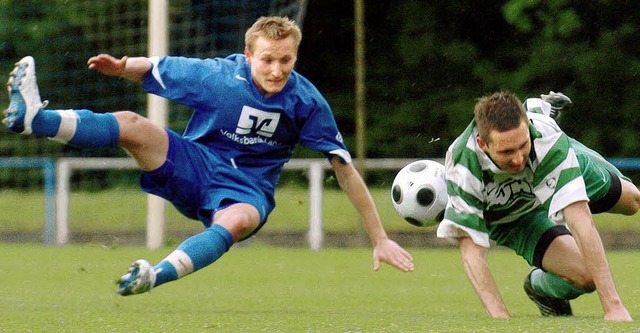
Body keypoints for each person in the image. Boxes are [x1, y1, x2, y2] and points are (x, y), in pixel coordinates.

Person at [3, 16, 414, 296]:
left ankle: (152, 276)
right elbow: (161, 69)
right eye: (267, 60)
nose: (276, 70)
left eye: (285, 60)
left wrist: (379, 237)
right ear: (248, 55)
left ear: (295, 57)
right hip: (194, 164)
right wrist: (123, 66)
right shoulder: (221, 77)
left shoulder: (306, 101)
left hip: (248, 190)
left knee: (236, 221)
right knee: (131, 123)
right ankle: (35, 121)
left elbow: (343, 169)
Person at [436, 90, 639, 321]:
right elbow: (472, 249)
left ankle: (542, 112)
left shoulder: (543, 138)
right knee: (587, 277)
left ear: (527, 129)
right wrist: (501, 319)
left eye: (522, 145)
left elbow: (579, 219)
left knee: (633, 201)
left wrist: (613, 307)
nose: (518, 159)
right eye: (506, 151)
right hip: (516, 218)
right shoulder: (463, 162)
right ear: (483, 144)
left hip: (552, 158)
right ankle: (539, 287)